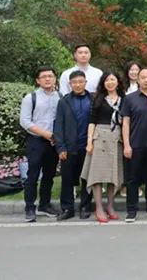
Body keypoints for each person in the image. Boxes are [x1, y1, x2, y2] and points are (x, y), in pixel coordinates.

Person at [81, 71, 125, 223]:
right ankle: (99, 208)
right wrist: (89, 142)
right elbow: (92, 121)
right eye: (107, 80)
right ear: (103, 83)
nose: (110, 82)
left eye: (113, 79)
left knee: (113, 175)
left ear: (118, 82)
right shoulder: (98, 98)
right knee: (98, 175)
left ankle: (110, 207)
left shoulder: (124, 99)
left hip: (117, 138)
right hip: (100, 137)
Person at [19, 66, 62, 222]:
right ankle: (30, 208)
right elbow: (24, 121)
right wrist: (46, 134)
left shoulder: (60, 97)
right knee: (33, 175)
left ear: (55, 79)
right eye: (44, 77)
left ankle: (44, 205)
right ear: (38, 80)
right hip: (36, 141)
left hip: (53, 142)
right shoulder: (30, 97)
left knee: (49, 175)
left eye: (50, 76)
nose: (47, 79)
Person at [121, 68, 147, 222]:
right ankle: (131, 210)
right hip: (135, 144)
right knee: (132, 179)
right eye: (143, 77)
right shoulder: (129, 99)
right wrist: (126, 145)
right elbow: (125, 123)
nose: (146, 80)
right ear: (138, 80)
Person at [54, 70, 93, 221]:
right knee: (67, 179)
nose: (78, 85)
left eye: (80, 82)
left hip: (88, 146)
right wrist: (61, 147)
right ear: (70, 84)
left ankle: (85, 207)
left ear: (85, 83)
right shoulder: (64, 101)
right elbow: (58, 125)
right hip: (69, 148)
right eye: (74, 82)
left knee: (87, 179)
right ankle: (67, 208)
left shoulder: (93, 99)